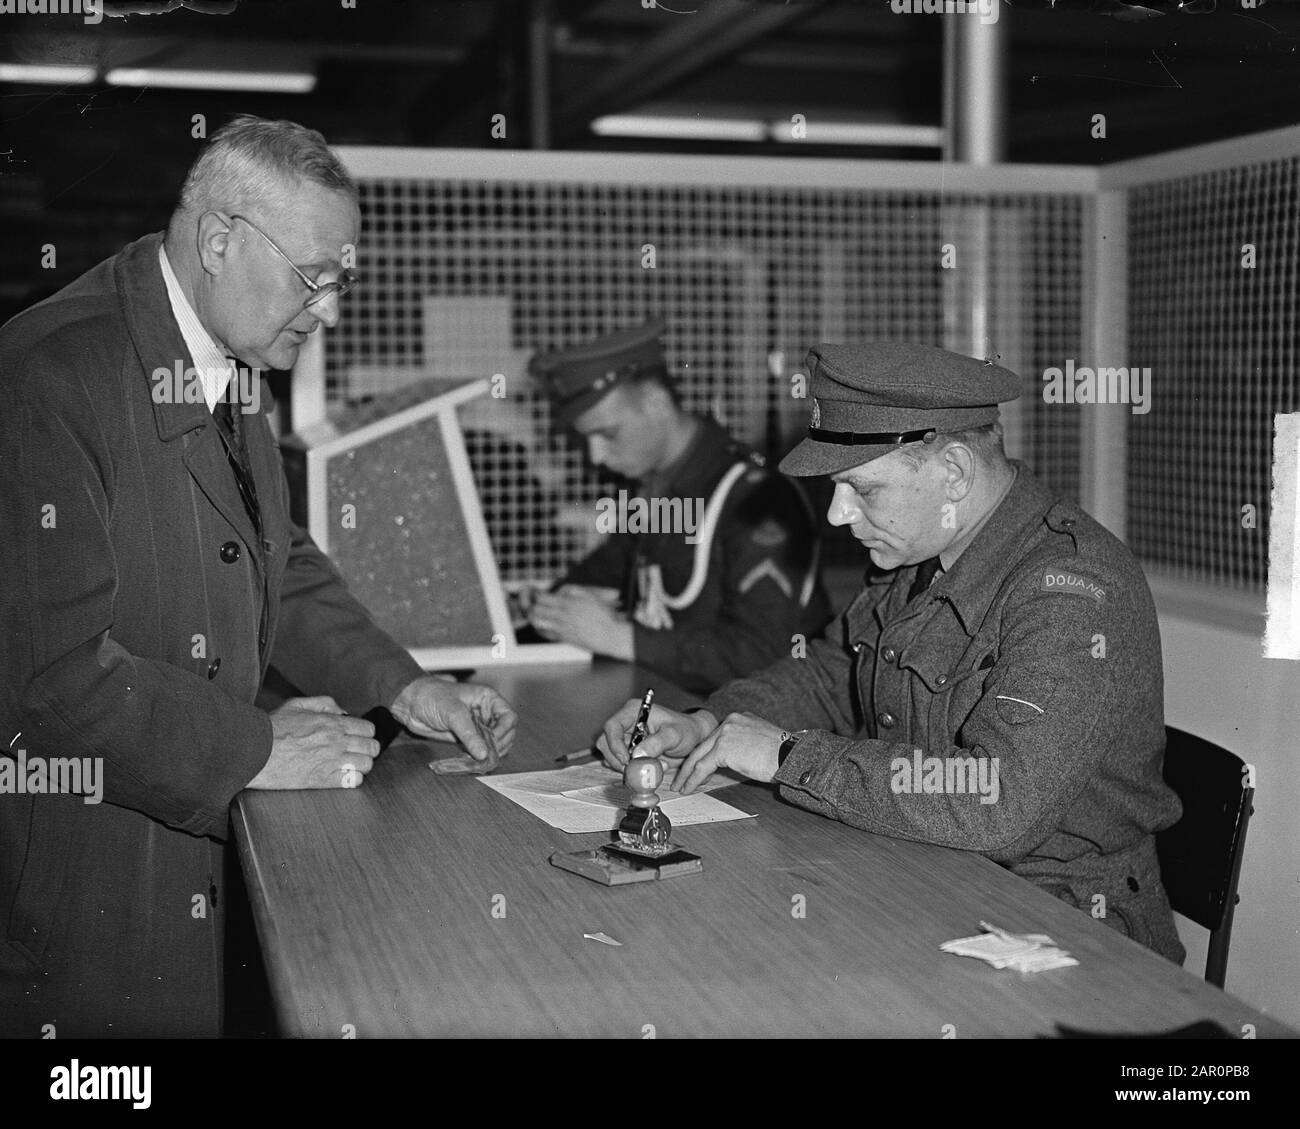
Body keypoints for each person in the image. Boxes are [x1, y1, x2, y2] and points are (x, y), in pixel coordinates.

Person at [0, 115, 516, 1037]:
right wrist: (260, 748)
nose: (329, 310)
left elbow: (278, 551)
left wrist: (402, 683)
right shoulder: (48, 378)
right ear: (218, 240)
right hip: (83, 885)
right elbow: (54, 679)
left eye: (340, 279)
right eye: (313, 276)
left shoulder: (227, 359)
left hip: (184, 868)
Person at [597, 342, 1186, 963]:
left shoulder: (1069, 592)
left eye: (863, 489)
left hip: (1061, 928)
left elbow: (1000, 800)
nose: (836, 514)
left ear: (954, 472)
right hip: (930, 873)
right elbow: (832, 670)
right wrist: (708, 724)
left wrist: (789, 757)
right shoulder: (922, 550)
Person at [526, 319, 830, 693]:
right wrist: (555, 605)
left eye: (606, 434)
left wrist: (620, 638)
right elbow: (602, 574)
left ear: (656, 402)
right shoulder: (659, 490)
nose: (596, 457)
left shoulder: (757, 499)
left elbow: (764, 654)